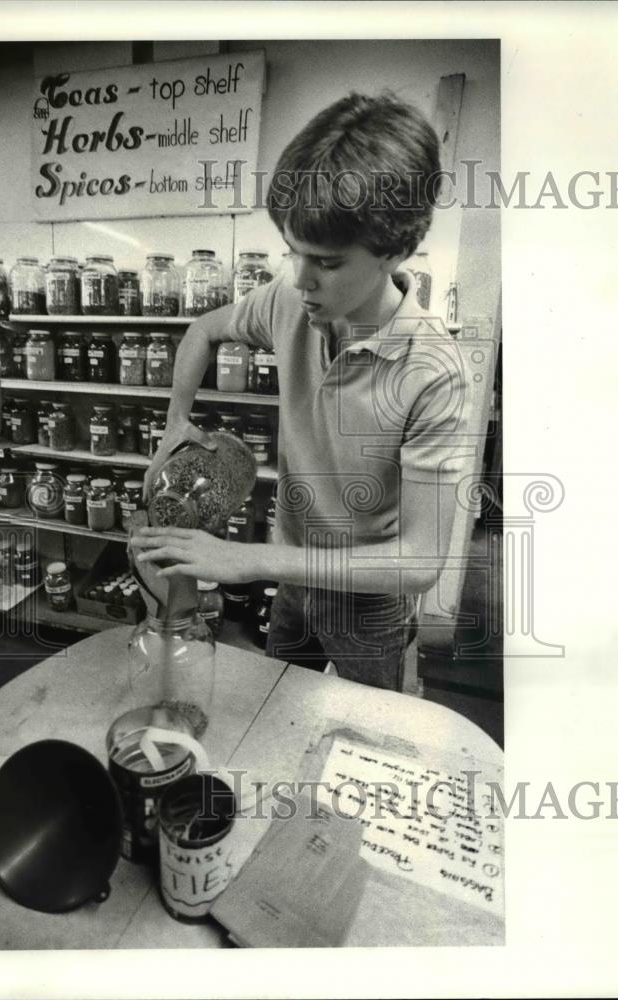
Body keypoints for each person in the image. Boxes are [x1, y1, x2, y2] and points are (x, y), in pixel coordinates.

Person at [133, 92, 466, 691]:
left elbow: (419, 562)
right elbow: (202, 331)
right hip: (291, 580)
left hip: (369, 602)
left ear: (395, 248)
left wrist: (250, 559)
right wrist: (176, 422)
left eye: (328, 263)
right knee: (278, 709)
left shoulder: (433, 369)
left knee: (367, 737)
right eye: (293, 252)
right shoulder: (288, 300)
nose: (301, 279)